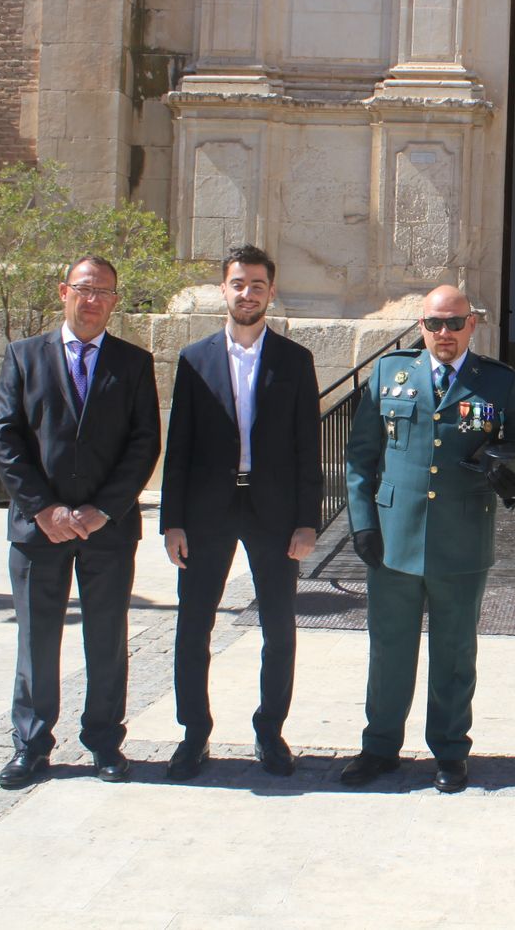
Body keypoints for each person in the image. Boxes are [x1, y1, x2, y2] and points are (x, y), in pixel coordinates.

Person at [340, 286, 515, 793]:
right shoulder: (389, 374)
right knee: (389, 650)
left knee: (454, 652)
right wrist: (362, 523)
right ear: (420, 326)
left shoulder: (498, 381)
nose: (443, 334)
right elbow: (361, 456)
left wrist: (506, 469)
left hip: (462, 537)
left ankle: (450, 751)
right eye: (433, 324)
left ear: (473, 324)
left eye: (454, 323)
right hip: (393, 537)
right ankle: (379, 747)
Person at [0, 257, 161, 789]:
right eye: (84, 289)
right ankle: (32, 745)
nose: (93, 300)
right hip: (39, 529)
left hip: (106, 530)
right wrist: (45, 508)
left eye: (104, 292)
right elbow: (4, 437)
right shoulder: (23, 356)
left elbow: (143, 443)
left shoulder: (133, 362)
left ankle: (105, 742)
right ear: (64, 292)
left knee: (106, 638)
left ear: (114, 301)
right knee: (38, 640)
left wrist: (101, 508)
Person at [159, 246, 322, 781]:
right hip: (208, 512)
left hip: (273, 512)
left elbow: (307, 446)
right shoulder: (194, 359)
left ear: (271, 292)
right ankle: (194, 734)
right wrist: (172, 520)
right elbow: (178, 445)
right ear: (222, 290)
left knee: (279, 627)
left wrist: (307, 520)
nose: (247, 293)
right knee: (193, 626)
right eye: (237, 283)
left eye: (257, 284)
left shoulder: (295, 361)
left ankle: (270, 732)